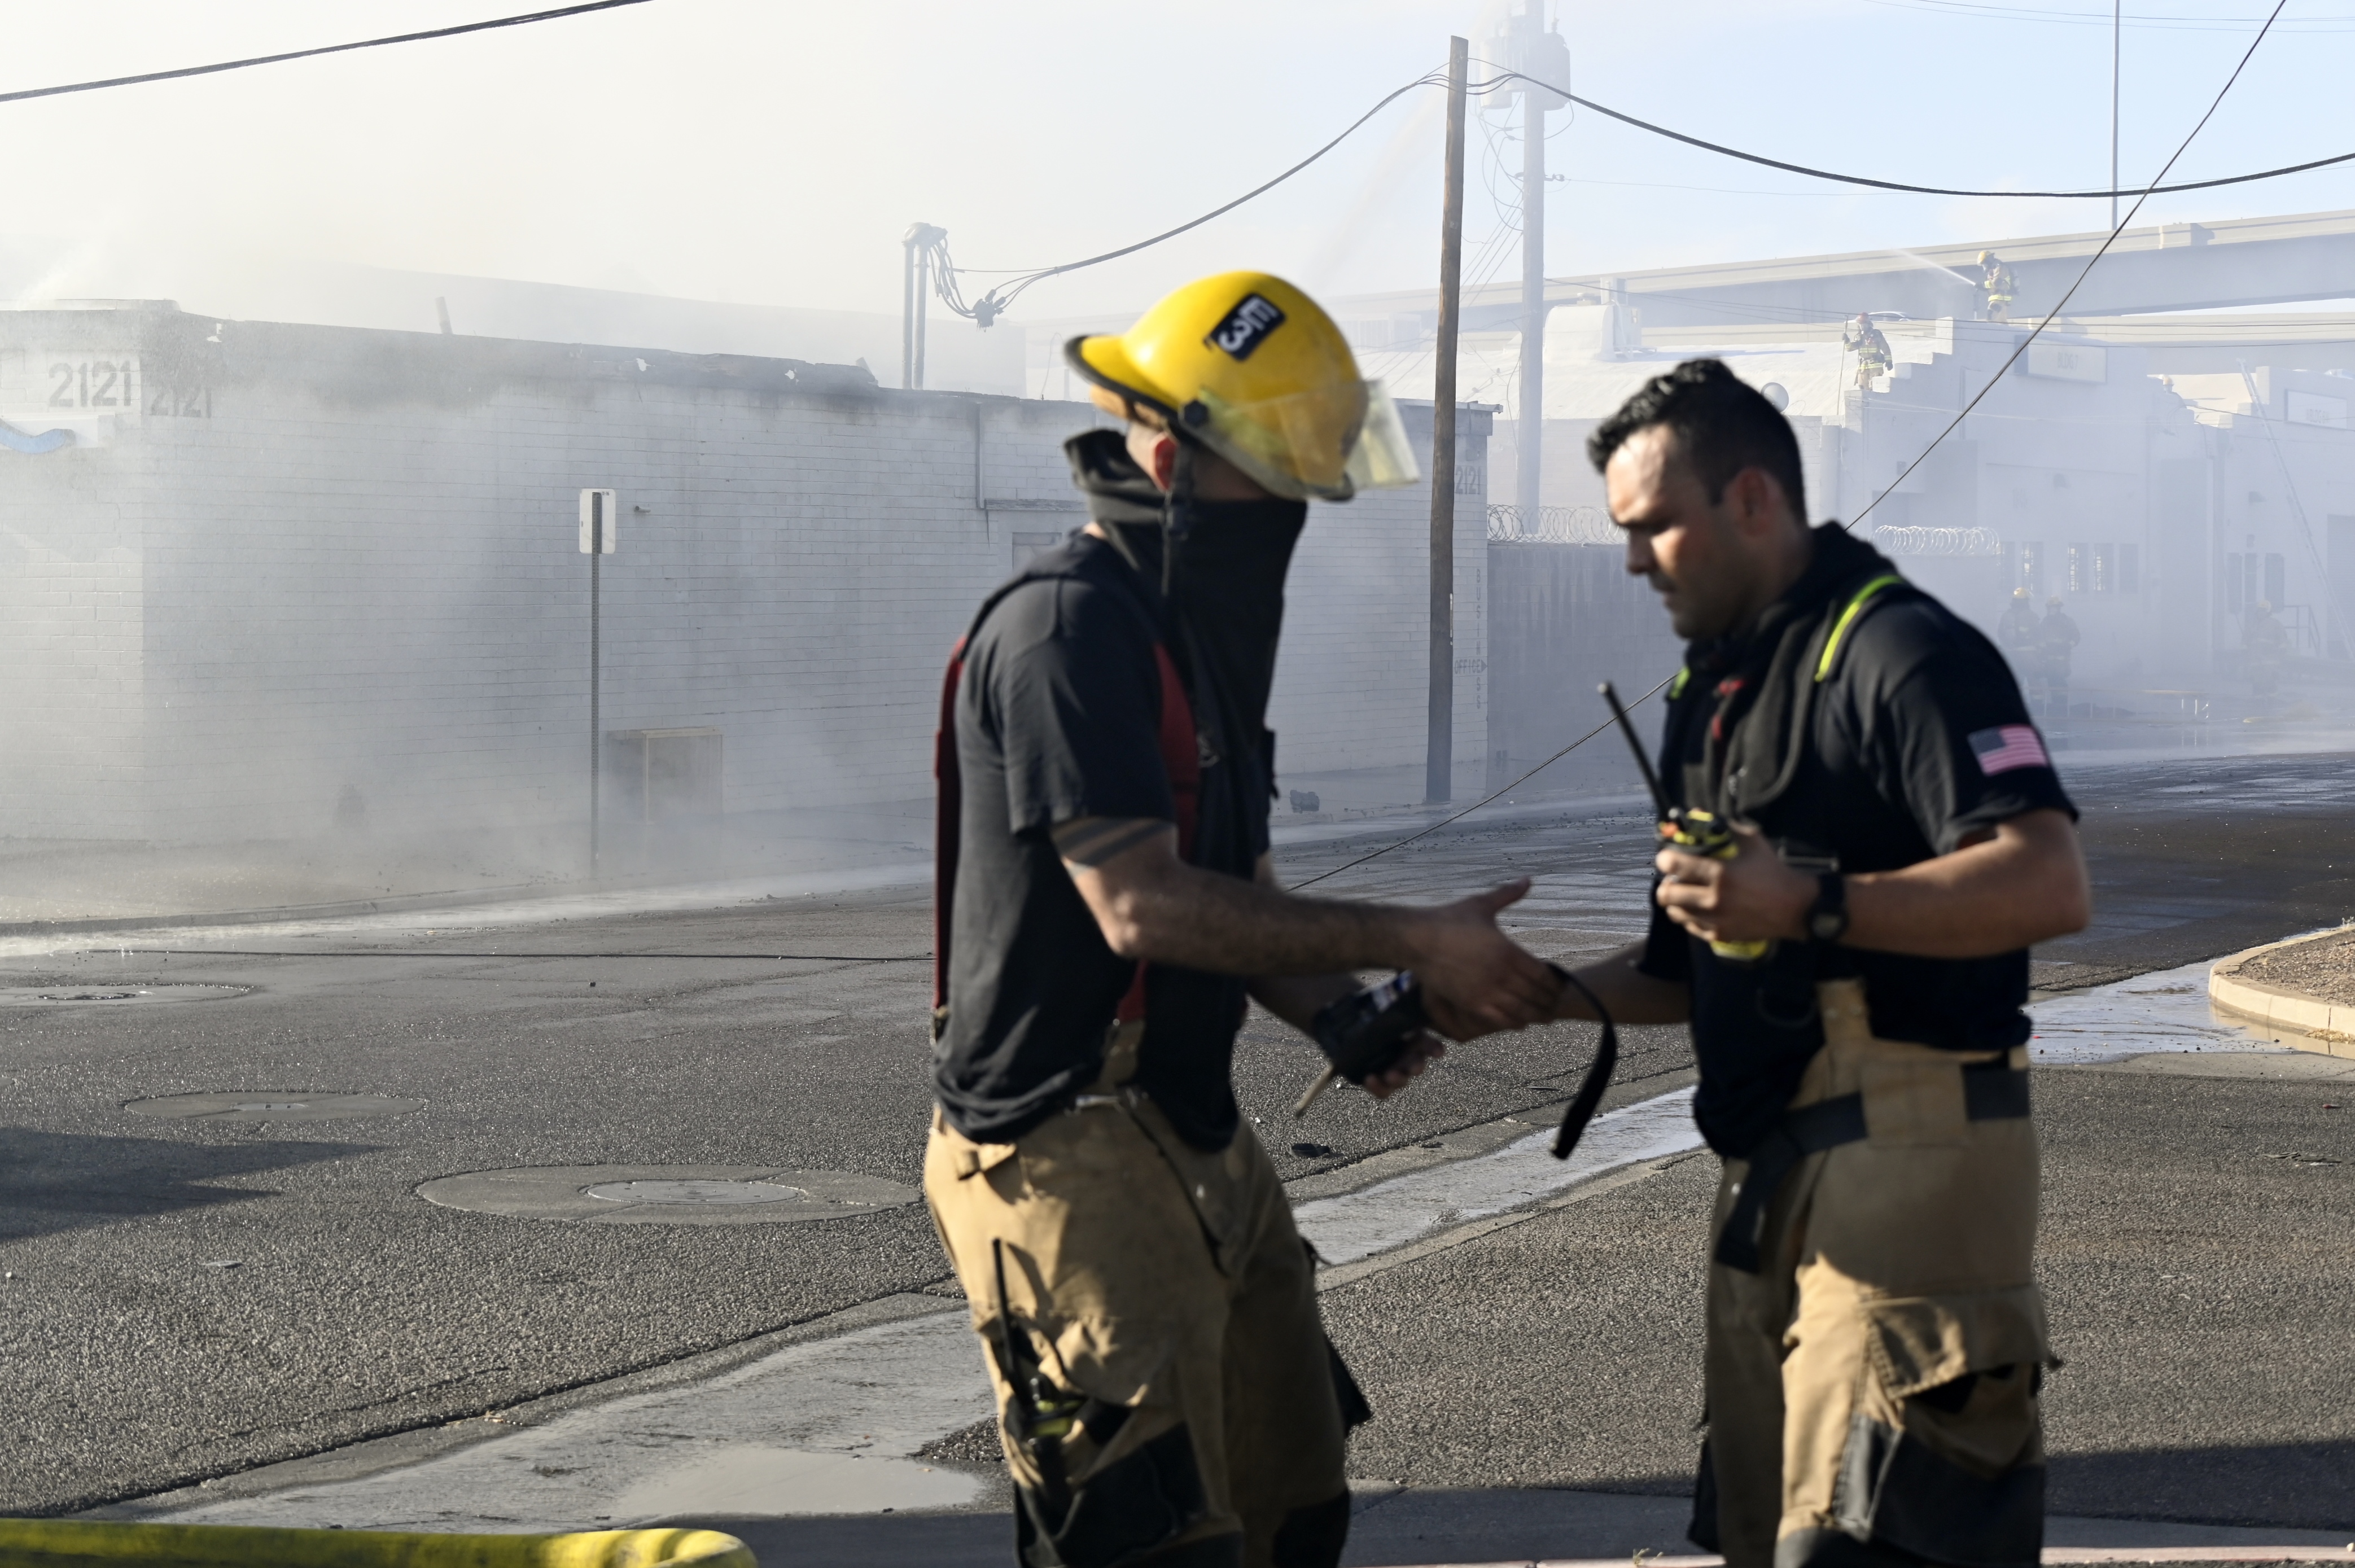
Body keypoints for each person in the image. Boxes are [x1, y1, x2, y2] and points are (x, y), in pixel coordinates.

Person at [924, 270, 1564, 1568]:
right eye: (1276, 478)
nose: (1294, 514)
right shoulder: (1065, 631)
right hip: (1063, 1144)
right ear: (1171, 461)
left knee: (1295, 1497)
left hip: (1192, 1122)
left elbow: (1246, 895)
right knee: (1158, 1539)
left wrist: (1347, 1014)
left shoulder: (1197, 643)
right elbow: (1140, 905)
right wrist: (1413, 934)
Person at [1551, 359, 2090, 1568]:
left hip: (1917, 1173)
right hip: (1770, 1187)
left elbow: (2048, 883)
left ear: (1751, 499)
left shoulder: (1905, 651)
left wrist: (1807, 901)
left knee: (1858, 1542)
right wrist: (1519, 994)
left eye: (1652, 526)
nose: (1633, 561)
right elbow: (1682, 968)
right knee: (1762, 1531)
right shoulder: (1712, 694)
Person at [2037, 595, 2080, 718]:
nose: (2051, 610)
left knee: (2060, 682)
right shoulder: (2045, 622)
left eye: (2054, 607)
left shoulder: (2067, 621)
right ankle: (2056, 707)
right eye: (2050, 607)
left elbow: (2076, 636)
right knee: (2052, 682)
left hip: (2062, 659)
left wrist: (2068, 645)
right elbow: (2039, 637)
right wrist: (2042, 648)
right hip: (2049, 659)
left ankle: (2062, 706)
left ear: (2059, 608)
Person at [2244, 598, 2290, 697]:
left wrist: (2281, 655)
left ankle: (2272, 701)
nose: (2261, 613)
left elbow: (2283, 642)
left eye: (2263, 611)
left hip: (2270, 659)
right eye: (2259, 611)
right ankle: (2257, 702)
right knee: (2256, 682)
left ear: (2268, 612)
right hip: (2255, 659)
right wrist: (2245, 654)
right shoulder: (2252, 625)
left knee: (2270, 681)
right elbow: (2245, 641)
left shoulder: (2275, 624)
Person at [1997, 586, 2040, 677]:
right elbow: (2038, 634)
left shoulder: (2007, 615)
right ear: (2026, 601)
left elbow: (2001, 633)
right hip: (2025, 655)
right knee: (2030, 679)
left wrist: (2007, 645)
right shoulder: (2031, 615)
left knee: (2019, 679)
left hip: (2017, 654)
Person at [1842, 313, 1891, 390]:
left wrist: (1889, 361)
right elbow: (1850, 348)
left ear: (1869, 324)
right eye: (1860, 325)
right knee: (1862, 388)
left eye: (1864, 325)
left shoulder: (1877, 335)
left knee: (1874, 388)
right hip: (1863, 367)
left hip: (1875, 367)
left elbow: (1886, 349)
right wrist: (1847, 341)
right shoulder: (1859, 337)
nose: (1862, 327)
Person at [1977, 250, 2017, 323]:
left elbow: (1997, 283)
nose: (1984, 266)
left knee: (1991, 318)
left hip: (1999, 298)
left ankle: (1990, 331)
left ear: (1988, 261)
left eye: (1984, 264)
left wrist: (1983, 285)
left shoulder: (2000, 268)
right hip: (2000, 299)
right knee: (2002, 322)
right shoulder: (1993, 270)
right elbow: (1992, 285)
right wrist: (1983, 287)